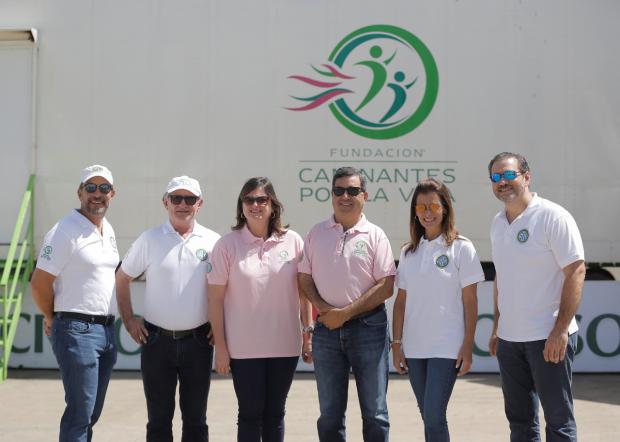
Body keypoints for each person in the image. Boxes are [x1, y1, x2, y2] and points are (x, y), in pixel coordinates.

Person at [487, 152, 585, 441]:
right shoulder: (497, 223)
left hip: (547, 338)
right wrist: (497, 327)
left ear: (526, 177)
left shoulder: (553, 216)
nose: (502, 182)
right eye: (496, 177)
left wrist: (560, 330)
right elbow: (501, 277)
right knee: (520, 422)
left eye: (508, 175)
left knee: (558, 421)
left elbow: (576, 271)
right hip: (510, 340)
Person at [116, 176, 220, 442]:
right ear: (165, 202)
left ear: (200, 203)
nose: (182, 204)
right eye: (176, 198)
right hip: (156, 342)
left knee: (196, 421)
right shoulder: (150, 239)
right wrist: (128, 320)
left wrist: (222, 327)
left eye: (189, 199)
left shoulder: (214, 242)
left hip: (198, 341)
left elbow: (226, 289)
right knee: (159, 421)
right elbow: (122, 277)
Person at [208, 177, 312, 442]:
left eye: (261, 199)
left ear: (273, 205)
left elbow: (304, 293)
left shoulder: (293, 241)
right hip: (244, 349)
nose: (255, 205)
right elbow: (215, 300)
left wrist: (307, 333)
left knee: (275, 414)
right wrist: (221, 347)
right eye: (249, 199)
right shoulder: (226, 245)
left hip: (285, 345)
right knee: (250, 414)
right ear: (241, 206)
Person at [298, 166, 396, 442]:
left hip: (369, 328)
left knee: (375, 414)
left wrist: (346, 313)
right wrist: (324, 309)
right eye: (339, 190)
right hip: (326, 330)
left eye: (353, 191)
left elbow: (386, 285)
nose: (345, 196)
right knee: (329, 416)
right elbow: (304, 277)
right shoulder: (317, 233)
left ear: (365, 195)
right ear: (332, 195)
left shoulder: (376, 235)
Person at [31, 164, 119, 442]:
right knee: (80, 416)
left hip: (105, 332)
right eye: (90, 187)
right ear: (79, 192)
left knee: (90, 413)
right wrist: (52, 316)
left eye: (103, 188)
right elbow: (39, 282)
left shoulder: (107, 229)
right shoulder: (64, 231)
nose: (97, 193)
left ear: (112, 194)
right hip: (76, 330)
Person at [392, 178, 484, 442]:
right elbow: (400, 302)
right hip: (415, 347)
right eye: (421, 208)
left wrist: (468, 345)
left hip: (447, 348)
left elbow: (470, 301)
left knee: (433, 415)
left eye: (433, 205)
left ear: (445, 208)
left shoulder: (461, 247)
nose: (427, 213)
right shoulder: (409, 252)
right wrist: (397, 344)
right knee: (428, 417)